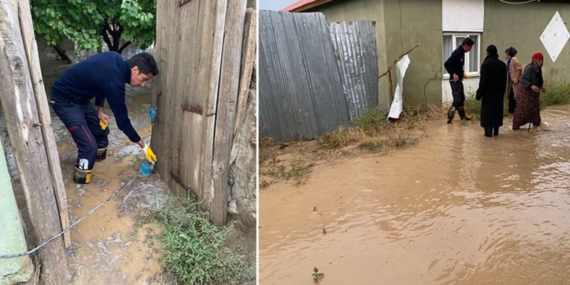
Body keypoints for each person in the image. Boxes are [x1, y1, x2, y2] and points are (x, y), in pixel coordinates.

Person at [50, 51, 159, 184]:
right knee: (89, 146)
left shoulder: (115, 59)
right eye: (144, 80)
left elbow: (100, 83)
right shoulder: (115, 81)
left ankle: (99, 159)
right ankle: (81, 181)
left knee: (101, 130)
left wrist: (99, 110)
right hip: (64, 100)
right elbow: (122, 122)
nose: (142, 85)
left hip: (81, 99)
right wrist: (143, 146)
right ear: (135, 70)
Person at [475, 45, 507, 137]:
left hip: (488, 95)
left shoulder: (486, 64)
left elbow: (483, 81)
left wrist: (479, 94)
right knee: (497, 114)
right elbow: (504, 81)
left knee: (487, 115)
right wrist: (502, 93)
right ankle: (496, 132)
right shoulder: (502, 64)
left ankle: (488, 134)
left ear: (488, 53)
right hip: (498, 94)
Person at [444, 37, 475, 124]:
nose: (470, 49)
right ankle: (450, 118)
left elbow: (457, 65)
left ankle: (463, 117)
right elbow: (446, 63)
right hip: (454, 81)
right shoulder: (457, 52)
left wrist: (462, 73)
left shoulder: (462, 52)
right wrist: (453, 74)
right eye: (470, 47)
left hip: (459, 80)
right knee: (457, 100)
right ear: (465, 45)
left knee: (461, 99)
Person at [512, 52, 546, 130]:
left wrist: (541, 87)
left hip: (534, 95)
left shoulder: (538, 69)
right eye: (540, 60)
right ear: (536, 60)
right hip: (526, 94)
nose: (542, 62)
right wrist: (531, 85)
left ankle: (536, 127)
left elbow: (538, 80)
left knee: (535, 113)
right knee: (523, 112)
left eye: (542, 60)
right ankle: (516, 128)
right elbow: (523, 79)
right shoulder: (530, 68)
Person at [504, 47, 523, 114]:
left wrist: (516, 78)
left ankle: (518, 112)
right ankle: (512, 113)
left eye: (505, 53)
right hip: (510, 82)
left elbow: (519, 68)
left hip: (515, 83)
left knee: (516, 97)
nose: (504, 55)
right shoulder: (508, 61)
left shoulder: (514, 59)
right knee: (511, 97)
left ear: (508, 53)